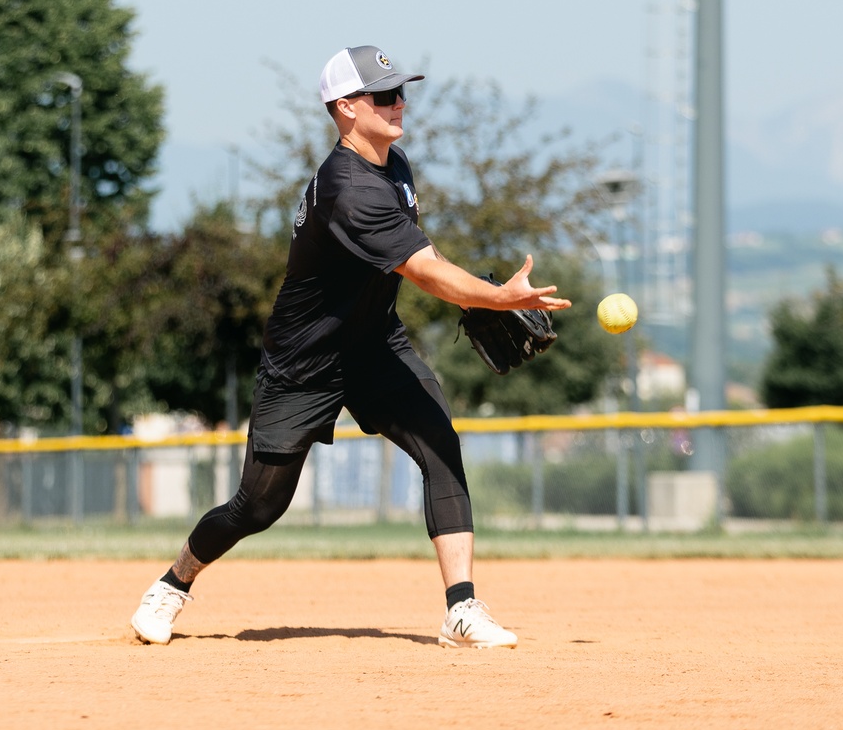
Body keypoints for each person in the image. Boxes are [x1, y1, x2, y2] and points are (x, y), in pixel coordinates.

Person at [131, 45, 570, 649]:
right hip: (304, 362)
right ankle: (173, 583)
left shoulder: (395, 165)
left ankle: (461, 609)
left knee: (441, 444)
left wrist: (480, 294)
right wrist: (496, 300)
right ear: (344, 107)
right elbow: (423, 273)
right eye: (383, 95)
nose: (399, 104)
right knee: (258, 506)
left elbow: (422, 252)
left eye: (400, 91)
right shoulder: (349, 189)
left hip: (374, 347)